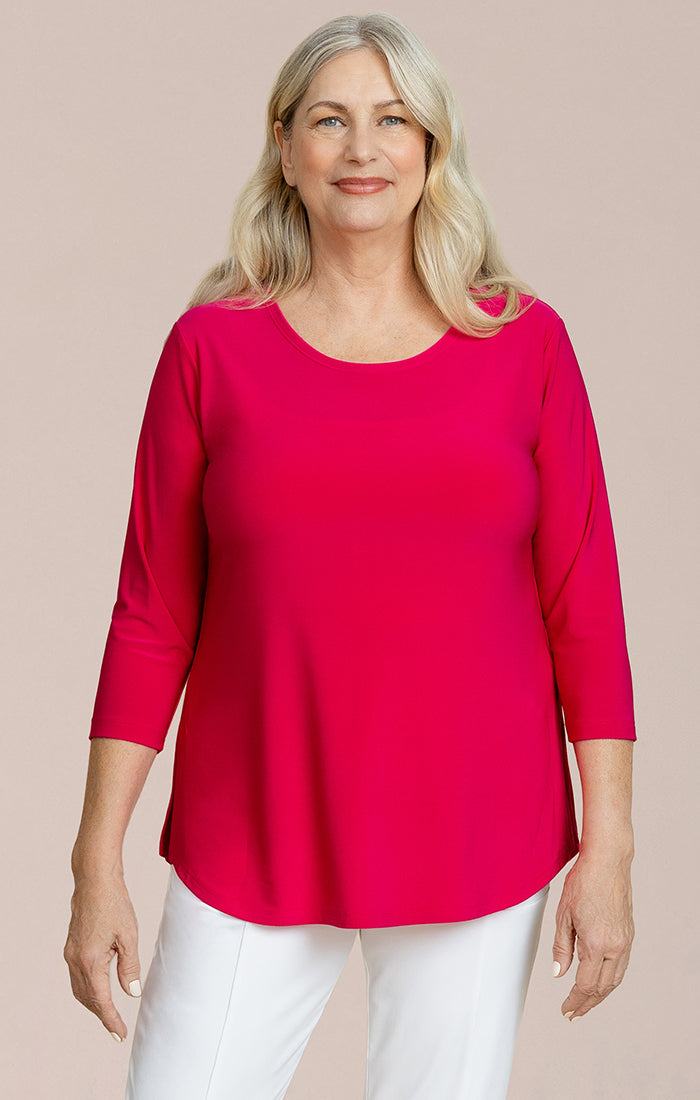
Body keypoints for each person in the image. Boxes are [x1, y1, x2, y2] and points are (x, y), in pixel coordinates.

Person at [63, 12, 637, 1100]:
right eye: (329, 120)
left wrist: (609, 847)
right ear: (285, 147)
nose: (362, 148)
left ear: (432, 147)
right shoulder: (211, 348)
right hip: (255, 816)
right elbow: (152, 615)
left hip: (476, 821)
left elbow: (585, 606)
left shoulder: (524, 344)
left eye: (392, 120)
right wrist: (96, 859)